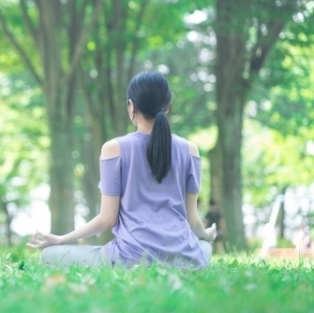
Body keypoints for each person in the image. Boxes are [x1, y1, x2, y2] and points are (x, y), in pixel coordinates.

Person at [27, 71, 216, 268]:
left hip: (129, 258)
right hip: (183, 259)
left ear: (132, 106)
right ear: (168, 107)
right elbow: (192, 219)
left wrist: (60, 239)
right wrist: (207, 235)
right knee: (203, 246)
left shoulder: (113, 148)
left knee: (50, 255)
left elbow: (108, 219)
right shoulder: (190, 150)